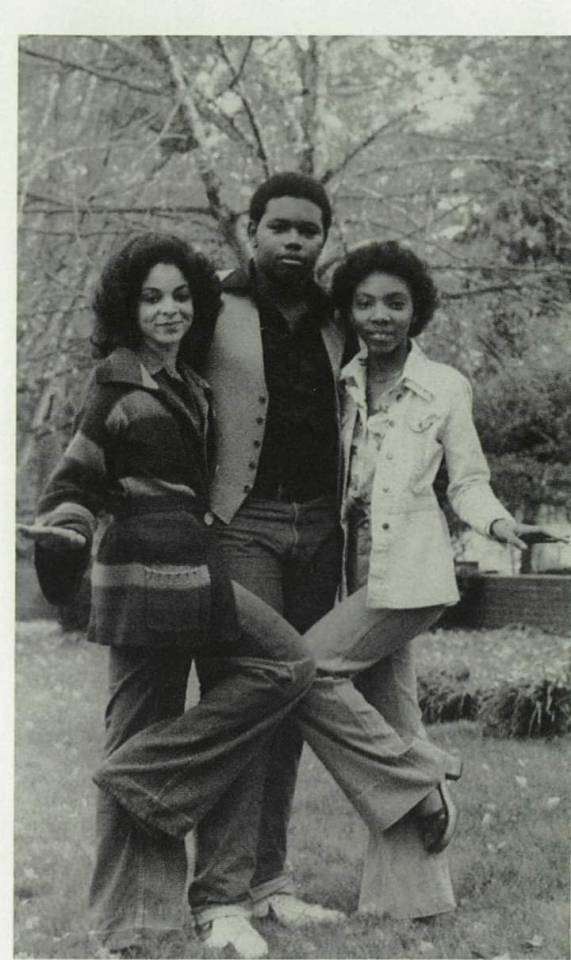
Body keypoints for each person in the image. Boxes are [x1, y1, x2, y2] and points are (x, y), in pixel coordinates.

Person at [23, 234, 317, 959]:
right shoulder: (116, 386)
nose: (169, 309)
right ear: (127, 305)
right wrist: (64, 532)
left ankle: (139, 777)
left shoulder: (192, 385)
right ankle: (135, 928)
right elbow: (72, 483)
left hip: (199, 576)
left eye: (181, 295)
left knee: (284, 667)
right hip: (136, 588)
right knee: (140, 721)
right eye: (152, 296)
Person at [306, 239, 562, 918]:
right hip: (349, 563)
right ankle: (409, 902)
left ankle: (421, 783)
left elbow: (467, 480)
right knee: (394, 717)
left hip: (411, 572)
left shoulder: (444, 384)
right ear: (348, 309)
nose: (379, 315)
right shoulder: (340, 378)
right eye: (364, 302)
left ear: (417, 310)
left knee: (303, 672)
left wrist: (501, 526)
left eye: (394, 302)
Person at [198, 171, 354, 929]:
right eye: (280, 226)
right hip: (242, 522)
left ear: (325, 238)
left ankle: (270, 885)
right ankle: (220, 897)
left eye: (309, 229)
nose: (294, 239)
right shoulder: (209, 306)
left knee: (291, 701)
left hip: (320, 529)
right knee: (247, 694)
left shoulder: (338, 319)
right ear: (251, 229)